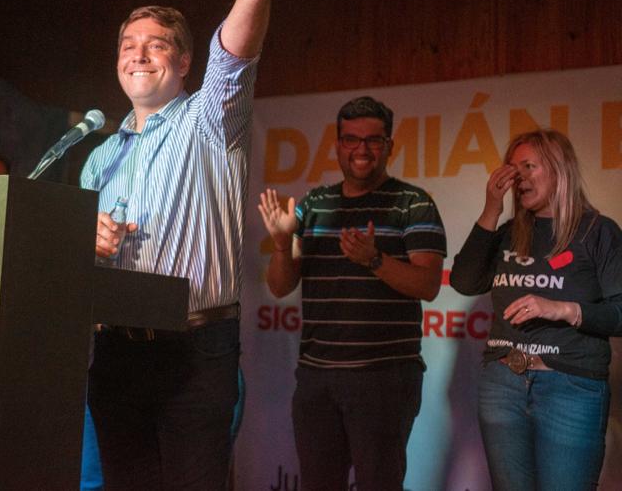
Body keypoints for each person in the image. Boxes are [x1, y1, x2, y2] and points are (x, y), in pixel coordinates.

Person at [82, 0, 289, 490]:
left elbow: (234, 57)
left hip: (195, 350)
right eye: (128, 45)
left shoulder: (210, 121)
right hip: (115, 350)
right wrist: (85, 242)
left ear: (183, 61)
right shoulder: (98, 159)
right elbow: (78, 271)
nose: (138, 54)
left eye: (155, 45)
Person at [257, 95, 446, 491]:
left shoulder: (413, 203)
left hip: (384, 379)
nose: (362, 149)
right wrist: (281, 244)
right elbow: (279, 285)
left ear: (389, 146)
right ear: (338, 145)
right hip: (317, 379)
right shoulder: (315, 204)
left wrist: (373, 259)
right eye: (351, 139)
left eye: (373, 140)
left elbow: (428, 285)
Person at [450, 129, 622, 490]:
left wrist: (563, 309)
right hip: (503, 384)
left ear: (560, 169)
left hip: (570, 388)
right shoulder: (510, 232)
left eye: (529, 166)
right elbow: (464, 281)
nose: (519, 178)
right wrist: (492, 209)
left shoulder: (598, 231)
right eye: (513, 170)